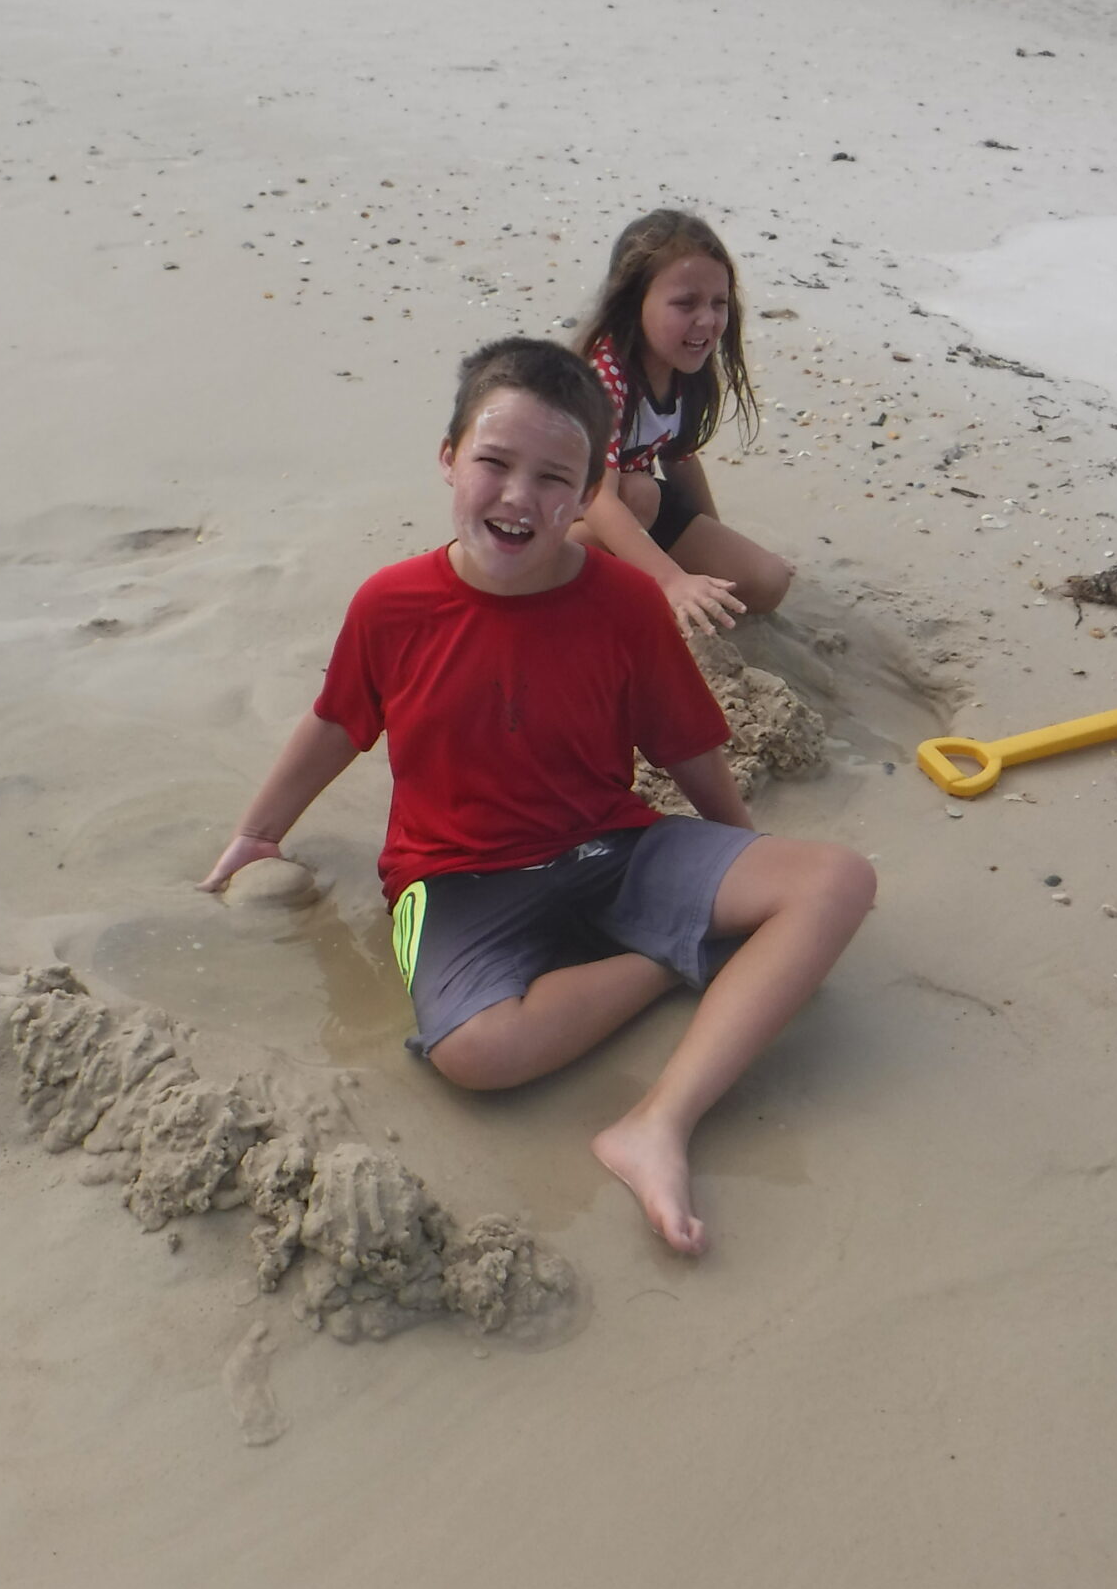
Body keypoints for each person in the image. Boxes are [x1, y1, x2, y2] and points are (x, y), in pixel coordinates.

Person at [200, 338, 874, 1255]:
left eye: (555, 477)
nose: (519, 496)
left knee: (835, 882)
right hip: (450, 881)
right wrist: (258, 833)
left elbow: (686, 744)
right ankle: (668, 958)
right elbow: (336, 724)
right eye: (494, 462)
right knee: (474, 1053)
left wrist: (745, 863)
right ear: (449, 458)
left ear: (590, 490)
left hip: (611, 846)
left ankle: (657, 1124)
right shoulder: (391, 605)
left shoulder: (626, 604)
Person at [571, 209, 795, 638]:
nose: (706, 320)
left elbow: (680, 459)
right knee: (638, 494)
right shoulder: (606, 379)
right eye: (685, 303)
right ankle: (612, 600)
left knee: (766, 582)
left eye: (718, 303)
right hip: (566, 520)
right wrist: (672, 579)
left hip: (638, 513)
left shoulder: (685, 367)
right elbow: (598, 499)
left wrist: (720, 542)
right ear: (633, 302)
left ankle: (636, 582)